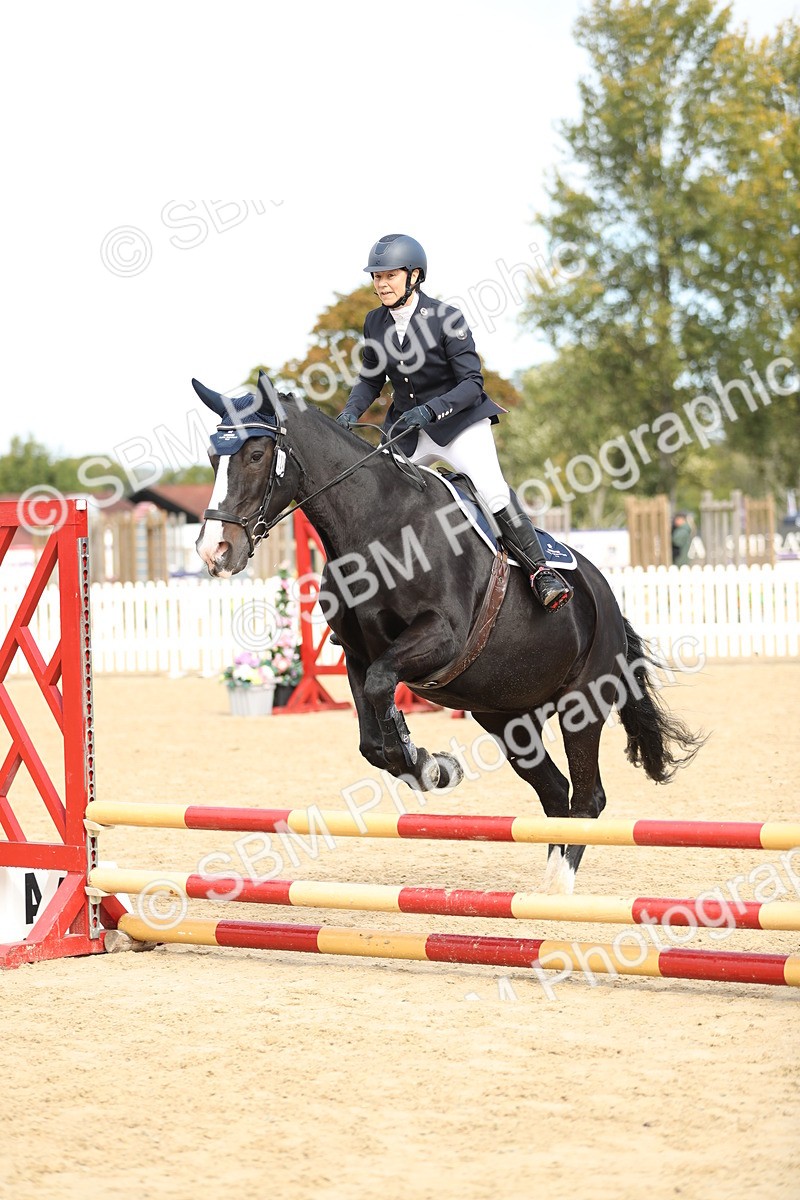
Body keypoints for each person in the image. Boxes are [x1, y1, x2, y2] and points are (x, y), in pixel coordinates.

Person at [337, 233, 572, 612]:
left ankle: (540, 571)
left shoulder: (447, 318)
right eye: (376, 277)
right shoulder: (374, 322)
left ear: (414, 276)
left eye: (390, 276)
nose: (381, 284)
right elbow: (370, 379)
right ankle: (371, 599)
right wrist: (350, 412)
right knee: (379, 500)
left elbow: (471, 383)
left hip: (458, 424)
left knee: (492, 490)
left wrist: (431, 411)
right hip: (411, 431)